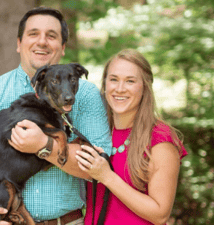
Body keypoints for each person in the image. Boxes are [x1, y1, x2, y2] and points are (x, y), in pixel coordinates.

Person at [0, 7, 111, 225]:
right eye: (33, 34)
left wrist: (44, 145)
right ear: (19, 43)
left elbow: (100, 169)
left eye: (51, 35)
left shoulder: (85, 95)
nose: (42, 42)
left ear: (63, 47)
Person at [76, 49, 188, 225]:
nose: (120, 89)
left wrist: (107, 176)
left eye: (130, 81)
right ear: (105, 84)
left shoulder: (160, 138)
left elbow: (160, 214)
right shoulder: (97, 132)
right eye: (113, 79)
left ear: (145, 86)